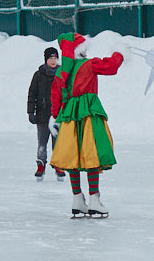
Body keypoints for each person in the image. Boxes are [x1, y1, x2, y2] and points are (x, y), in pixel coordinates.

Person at [50, 33, 125, 218]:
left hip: (68, 119)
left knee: (72, 158)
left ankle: (77, 199)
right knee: (91, 155)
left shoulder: (61, 73)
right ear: (80, 49)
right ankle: (94, 199)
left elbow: (55, 98)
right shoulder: (89, 65)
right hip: (88, 115)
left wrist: (55, 117)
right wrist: (120, 52)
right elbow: (111, 66)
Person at [27, 46, 61, 180]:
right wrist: (31, 112)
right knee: (42, 143)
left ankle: (58, 164)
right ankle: (41, 164)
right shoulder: (38, 75)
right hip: (42, 115)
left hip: (57, 115)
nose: (53, 61)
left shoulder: (61, 74)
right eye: (50, 58)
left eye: (55, 58)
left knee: (58, 142)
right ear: (46, 59)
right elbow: (32, 94)